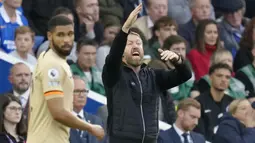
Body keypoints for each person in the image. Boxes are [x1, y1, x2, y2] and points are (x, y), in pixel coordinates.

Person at [102, 4, 192, 143]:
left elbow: (185, 75)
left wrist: (178, 60)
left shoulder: (154, 76)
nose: (136, 46)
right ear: (122, 53)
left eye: (138, 43)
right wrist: (124, 30)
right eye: (129, 43)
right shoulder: (114, 74)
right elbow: (113, 58)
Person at [26, 15, 104, 143]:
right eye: (61, 35)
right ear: (50, 36)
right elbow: (58, 112)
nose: (67, 40)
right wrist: (90, 127)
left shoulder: (54, 60)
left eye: (70, 34)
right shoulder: (53, 65)